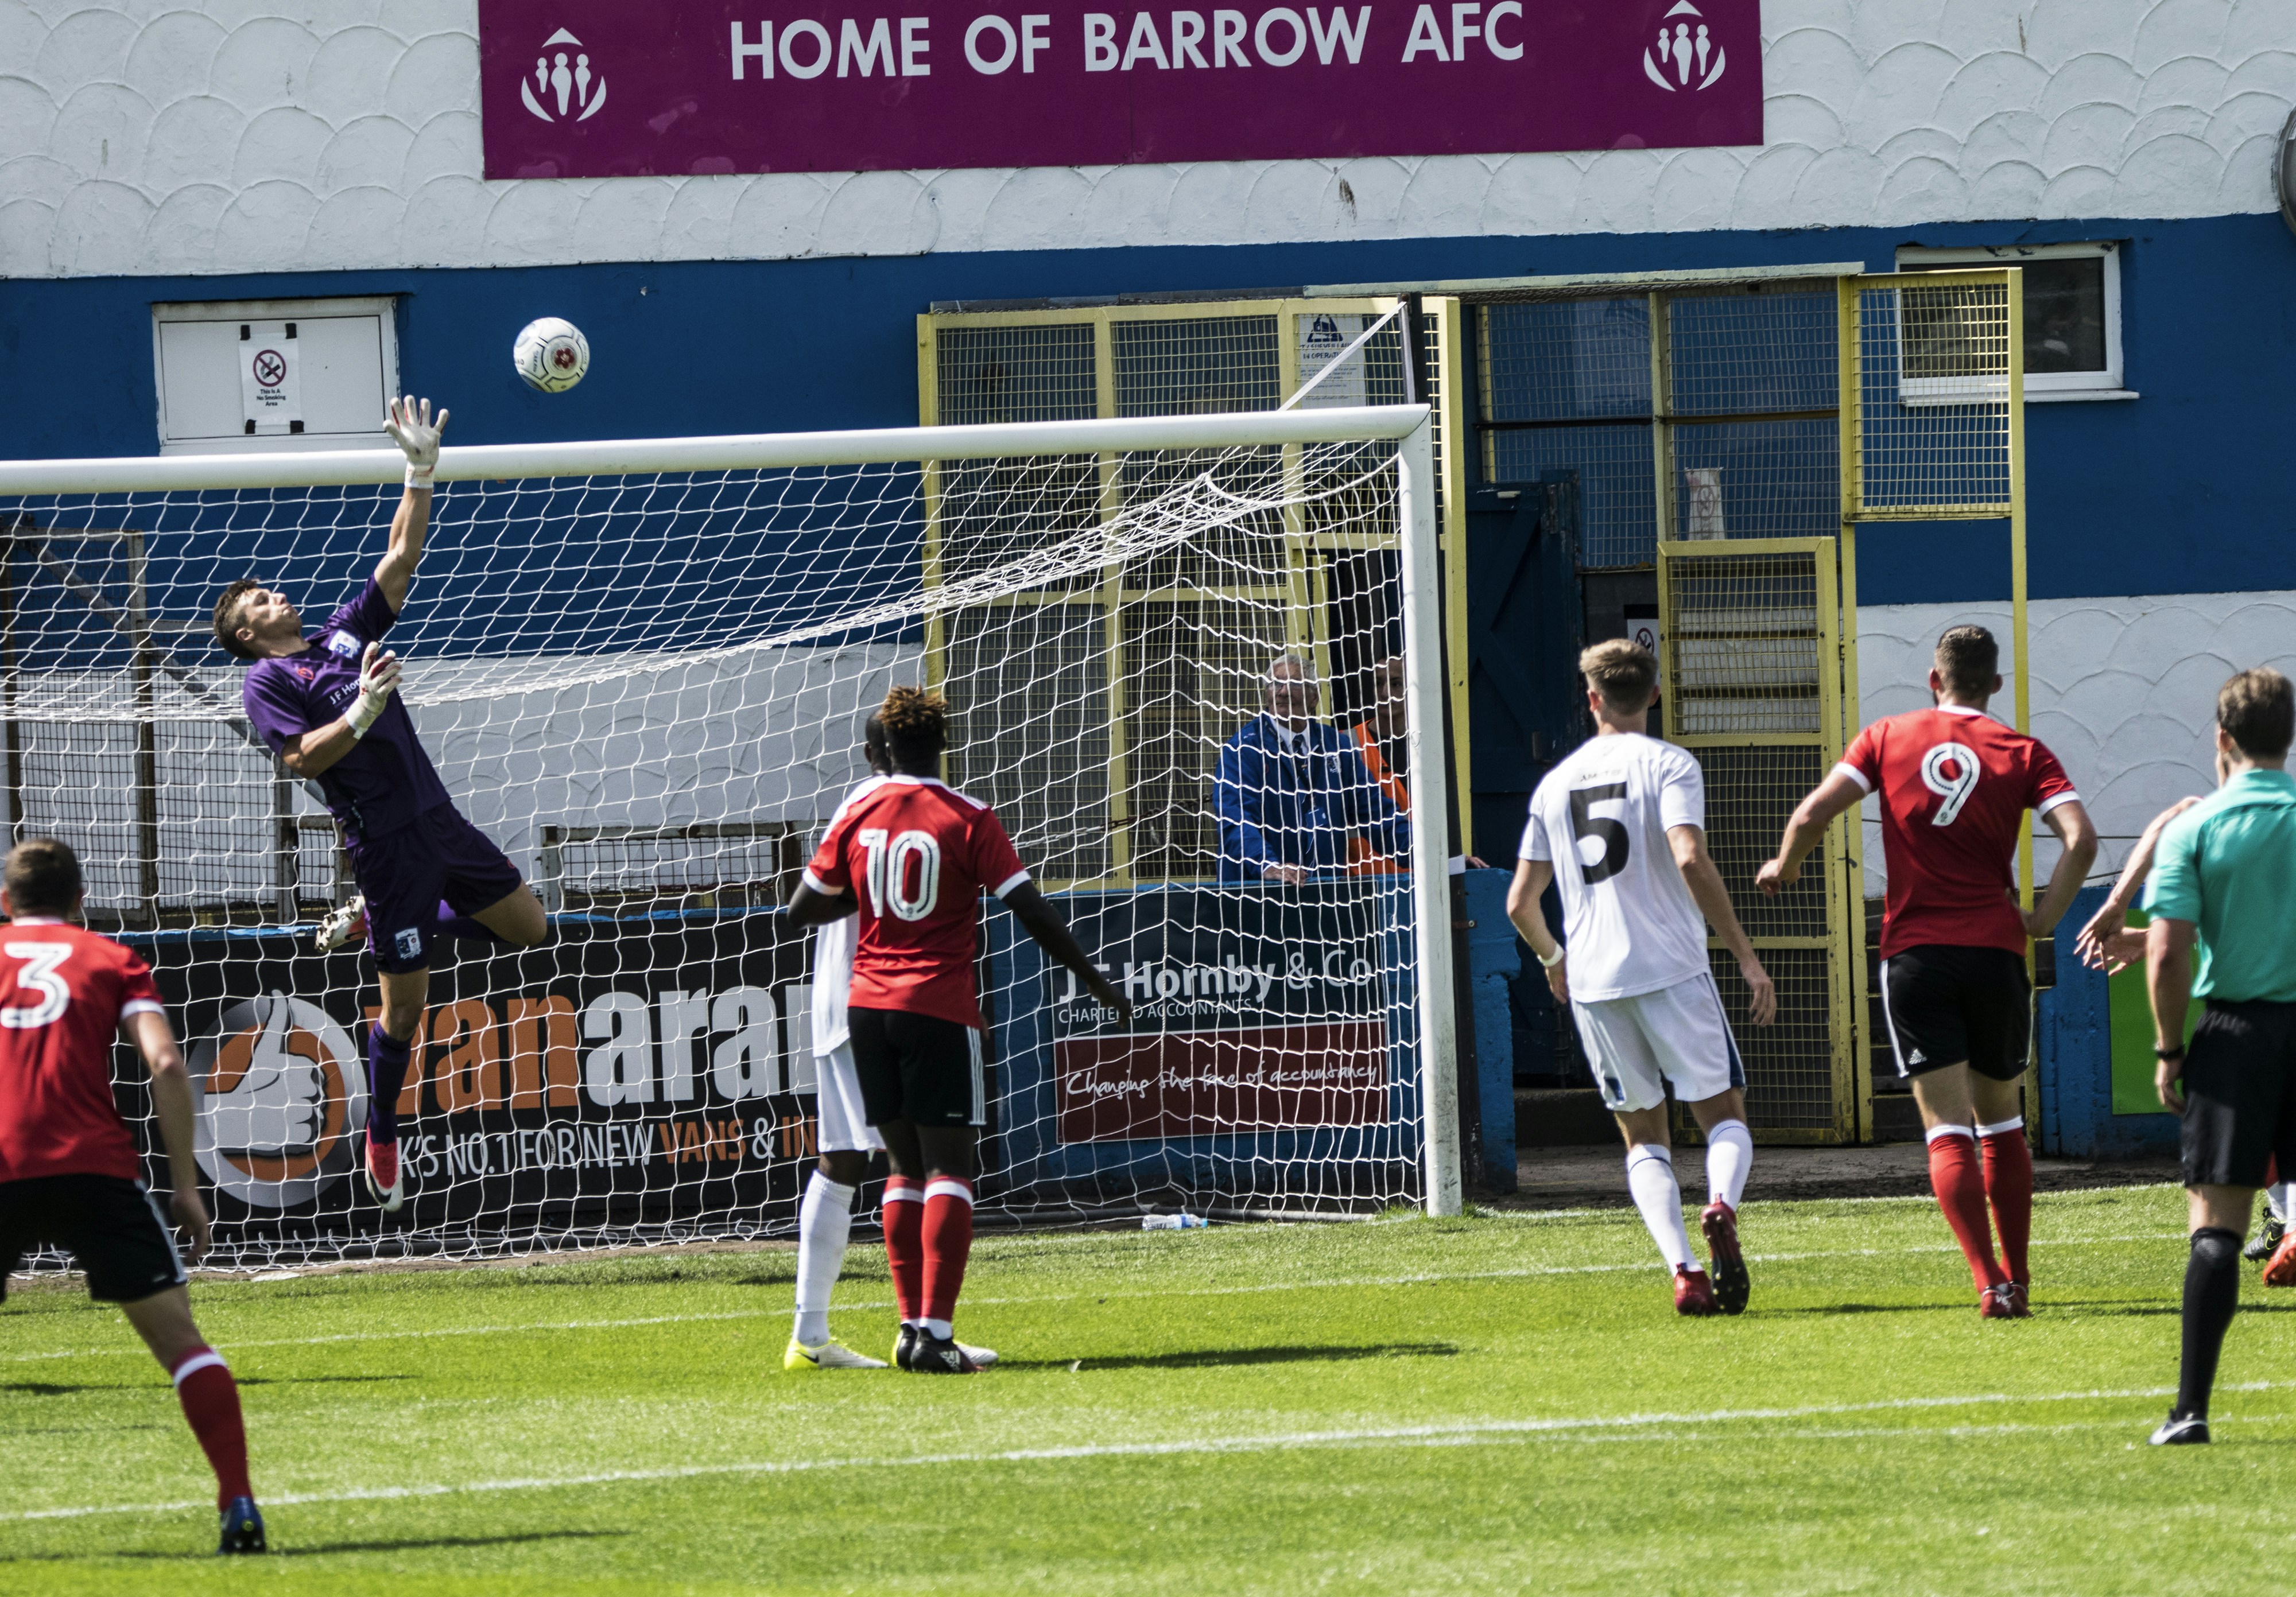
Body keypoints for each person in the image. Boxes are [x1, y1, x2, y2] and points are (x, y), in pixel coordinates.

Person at [213, 397, 548, 1213]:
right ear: (247, 632)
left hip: (438, 817)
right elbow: (300, 757)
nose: (271, 596)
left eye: (267, 590)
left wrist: (420, 469)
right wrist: (361, 711)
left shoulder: (339, 634)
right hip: (388, 847)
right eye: (255, 600)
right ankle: (384, 1130)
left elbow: (400, 559)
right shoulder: (266, 681)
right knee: (404, 1012)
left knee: (534, 929)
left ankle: (387, 921)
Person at [785, 686, 1130, 1373]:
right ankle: (932, 1333)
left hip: (864, 1006)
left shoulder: (858, 808)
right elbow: (1030, 910)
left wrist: (866, 883)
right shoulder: (968, 816)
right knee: (950, 1167)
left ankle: (911, 1330)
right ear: (943, 745)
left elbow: (802, 908)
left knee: (901, 1168)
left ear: (878, 750)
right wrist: (1094, 981)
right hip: (936, 1005)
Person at [1757, 625, 2097, 1318]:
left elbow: (1813, 811)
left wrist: (1783, 865)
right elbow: (2082, 839)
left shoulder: (1886, 735)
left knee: (1946, 1126)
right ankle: (2022, 1277)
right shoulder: (2023, 751)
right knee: (2002, 1124)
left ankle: (1988, 1281)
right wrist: (2042, 918)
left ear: (1932, 678)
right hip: (1997, 951)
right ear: (1994, 686)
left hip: (1916, 954)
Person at [0, 838, 266, 1553]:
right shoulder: (113, 959)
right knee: (184, 1345)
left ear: (5, 904)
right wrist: (185, 1184)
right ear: (82, 901)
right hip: (96, 1170)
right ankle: (237, 1499)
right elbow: (167, 1061)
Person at [1506, 640, 1776, 1316]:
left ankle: (1684, 1269)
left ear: (1591, 697)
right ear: (1655, 694)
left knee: (1641, 1135)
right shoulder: (1669, 763)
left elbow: (1519, 902)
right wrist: (1744, 955)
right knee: (1722, 1113)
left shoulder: (1554, 783)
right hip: (1671, 965)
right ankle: (1720, 1204)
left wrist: (1553, 959)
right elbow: (1689, 857)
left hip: (1595, 979)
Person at [784, 713, 997, 1373]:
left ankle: (840, 1334)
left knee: (851, 1156)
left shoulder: (871, 802)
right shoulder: (877, 803)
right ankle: (850, 1334)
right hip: (873, 995)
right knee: (888, 1162)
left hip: (850, 998)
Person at [2135, 668, 2296, 1444]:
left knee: (2218, 1227)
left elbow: (2166, 952)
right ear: (2289, 737)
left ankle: (2191, 1409)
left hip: (2235, 1035)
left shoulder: (2195, 828)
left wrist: (2170, 1049)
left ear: (2222, 738)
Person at [1215, 653, 1407, 885]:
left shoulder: (1336, 745)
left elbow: (1380, 816)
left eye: (1294, 684)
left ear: (1314, 697)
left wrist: (1441, 858)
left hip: (1324, 895)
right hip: (1260, 897)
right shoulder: (1243, 749)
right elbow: (1236, 821)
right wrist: (1268, 864)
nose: (1283, 692)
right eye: (1275, 684)